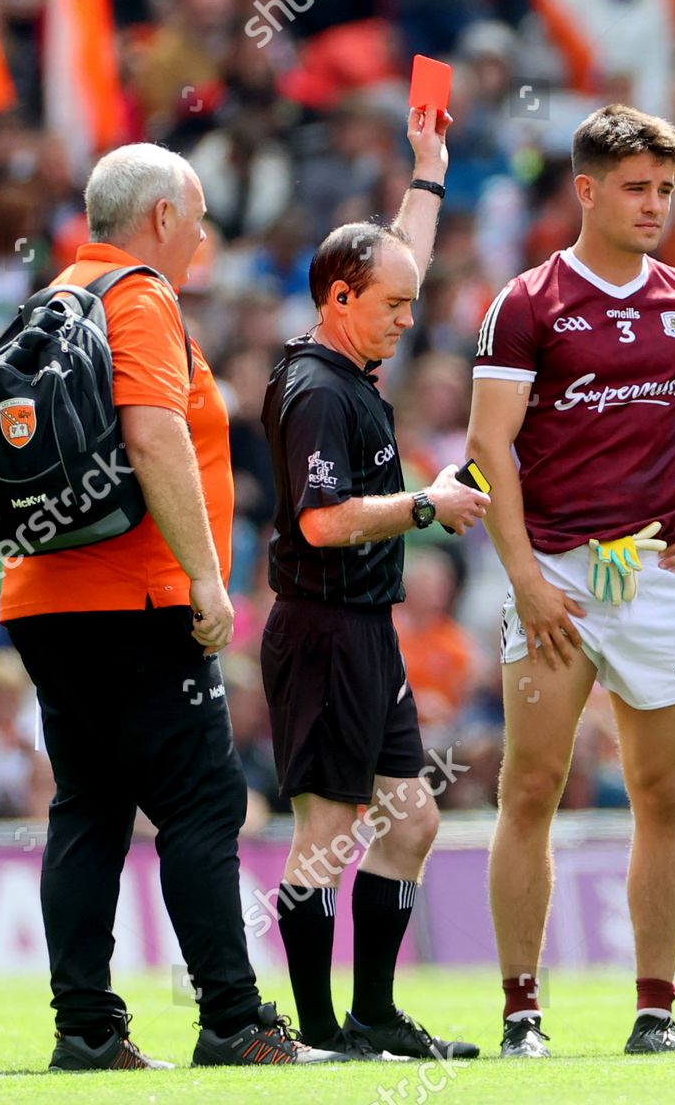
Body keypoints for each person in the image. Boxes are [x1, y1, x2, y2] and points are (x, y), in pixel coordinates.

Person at [0, 142, 343, 1069]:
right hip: (139, 596)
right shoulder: (140, 297)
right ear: (160, 218)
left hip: (43, 597)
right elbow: (155, 440)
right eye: (195, 217)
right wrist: (203, 577)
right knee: (202, 804)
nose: (204, 235)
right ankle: (235, 1022)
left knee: (90, 807)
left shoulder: (49, 301)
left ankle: (87, 1031)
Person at [468, 103, 675, 1057]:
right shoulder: (527, 304)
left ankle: (656, 1010)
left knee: (662, 794)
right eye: (637, 189)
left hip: (657, 574)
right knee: (531, 788)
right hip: (555, 573)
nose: (654, 206)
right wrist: (521, 573)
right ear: (588, 190)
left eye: (666, 190)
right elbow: (488, 446)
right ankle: (523, 1015)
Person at [260, 105, 489, 1062]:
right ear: (342, 298)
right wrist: (424, 504)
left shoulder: (348, 363)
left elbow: (406, 257)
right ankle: (320, 1032)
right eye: (394, 306)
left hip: (363, 626)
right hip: (323, 626)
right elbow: (320, 520)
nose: (409, 315)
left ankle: (373, 1016)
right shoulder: (318, 391)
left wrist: (428, 170)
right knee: (325, 831)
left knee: (413, 816)